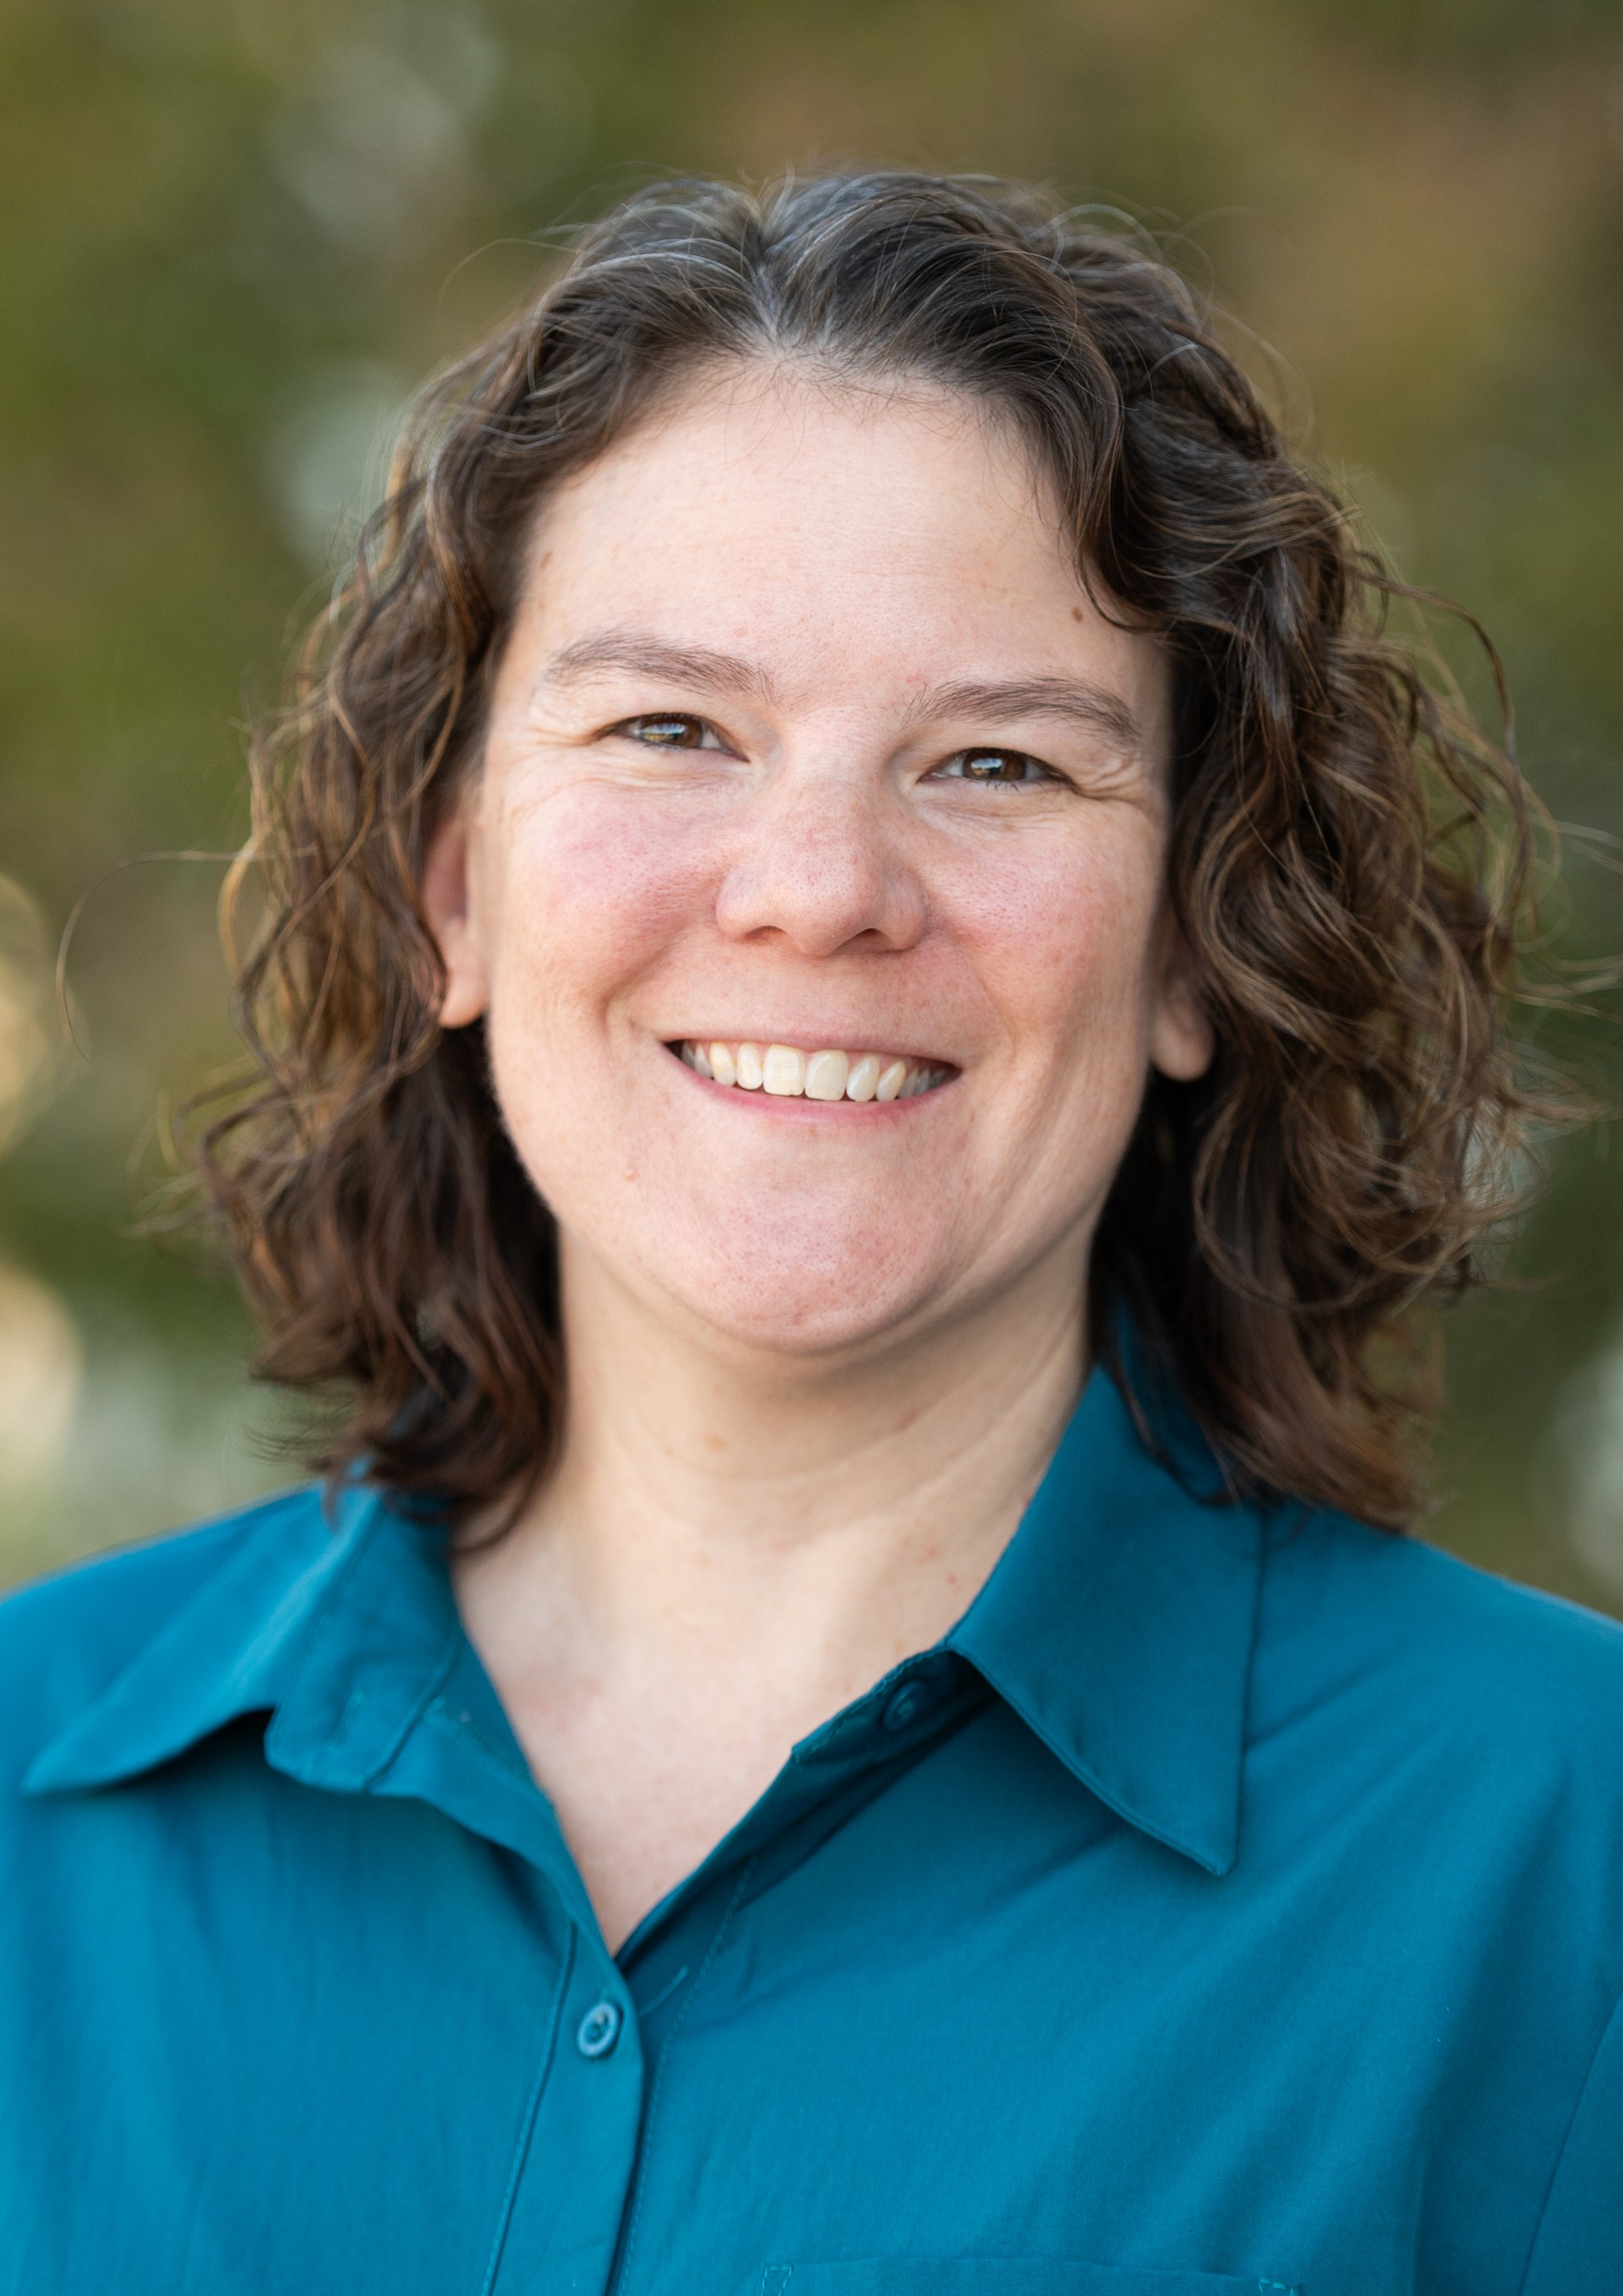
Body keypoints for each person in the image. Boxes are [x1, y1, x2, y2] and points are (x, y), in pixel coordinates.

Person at [1, 172, 1618, 2296]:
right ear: (458, 882)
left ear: (1192, 946)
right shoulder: (34, 1806)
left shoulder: (1563, 1858)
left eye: (997, 762)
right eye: (673, 727)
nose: (820, 885)